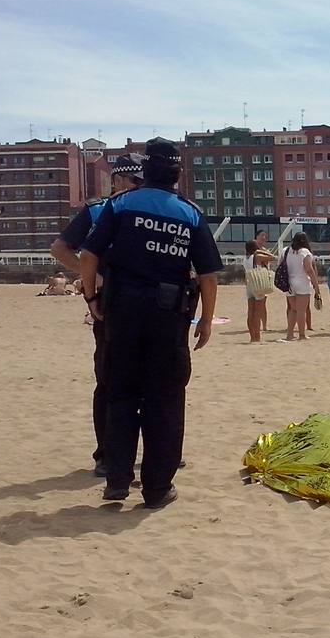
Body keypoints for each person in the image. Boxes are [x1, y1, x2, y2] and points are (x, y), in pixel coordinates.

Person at [79, 138, 223, 507]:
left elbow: (89, 254)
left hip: (123, 313)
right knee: (166, 400)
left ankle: (117, 479)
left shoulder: (121, 204)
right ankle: (157, 488)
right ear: (178, 173)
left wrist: (92, 298)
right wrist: (205, 321)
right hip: (168, 318)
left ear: (146, 171)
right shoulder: (189, 212)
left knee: (121, 394)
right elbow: (208, 274)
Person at [51, 153, 144, 476]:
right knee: (108, 381)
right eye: (135, 182)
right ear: (118, 181)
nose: (139, 188)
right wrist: (91, 276)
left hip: (145, 307)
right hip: (106, 308)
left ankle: (151, 450)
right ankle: (106, 453)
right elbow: (60, 248)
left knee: (149, 382)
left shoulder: (146, 209)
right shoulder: (96, 211)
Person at [280, 231, 319, 341]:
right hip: (302, 282)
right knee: (301, 310)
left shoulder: (285, 250)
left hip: (289, 282)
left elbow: (281, 265)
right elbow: (309, 270)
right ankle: (302, 334)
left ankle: (290, 334)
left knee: (293, 309)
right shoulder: (305, 252)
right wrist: (316, 285)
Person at [242, 239, 276, 343]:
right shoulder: (257, 256)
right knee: (257, 312)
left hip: (249, 285)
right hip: (258, 284)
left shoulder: (246, 259)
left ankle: (252, 336)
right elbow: (273, 257)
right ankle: (257, 337)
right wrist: (261, 251)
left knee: (250, 312)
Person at [253, 231, 273, 332]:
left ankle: (264, 325)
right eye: (262, 236)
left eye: (265, 236)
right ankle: (255, 324)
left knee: (263, 302)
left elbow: (268, 261)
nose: (264, 238)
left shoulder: (264, 250)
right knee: (253, 303)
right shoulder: (252, 250)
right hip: (254, 277)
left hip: (263, 277)